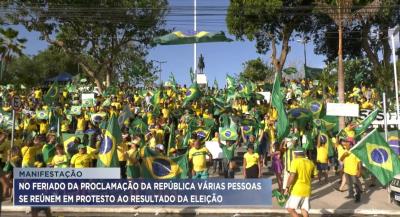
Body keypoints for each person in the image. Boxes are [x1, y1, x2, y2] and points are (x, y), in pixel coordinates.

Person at [284, 147, 318, 217]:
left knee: (290, 208)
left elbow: (292, 176)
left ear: (295, 154)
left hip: (297, 190)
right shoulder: (310, 162)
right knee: (304, 209)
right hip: (307, 189)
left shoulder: (295, 161)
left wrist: (287, 187)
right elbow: (316, 176)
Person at [340, 138, 362, 203]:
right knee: (349, 184)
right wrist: (344, 155)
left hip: (353, 171)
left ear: (351, 144)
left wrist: (359, 171)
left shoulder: (355, 151)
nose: (345, 143)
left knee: (356, 185)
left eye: (347, 142)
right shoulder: (345, 151)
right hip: (346, 170)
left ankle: (358, 197)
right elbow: (341, 159)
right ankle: (350, 195)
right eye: (345, 142)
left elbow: (359, 162)